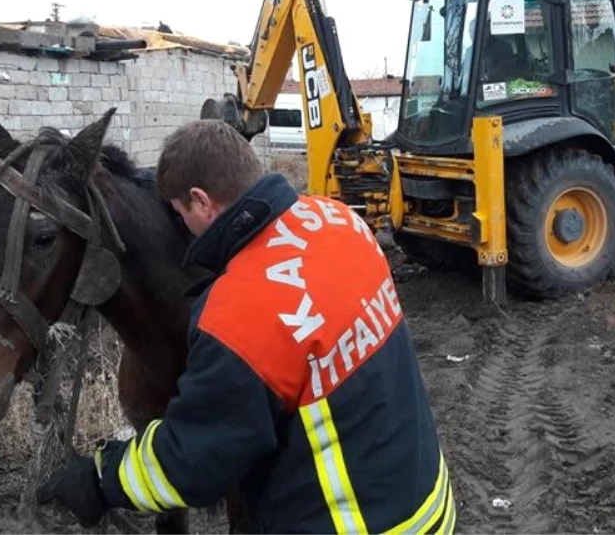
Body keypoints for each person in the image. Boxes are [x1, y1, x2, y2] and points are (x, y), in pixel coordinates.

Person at [37, 120, 455, 533]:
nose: (181, 225)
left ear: (202, 202)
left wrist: (99, 479)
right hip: (428, 504)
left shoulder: (239, 314)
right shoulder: (338, 219)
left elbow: (193, 461)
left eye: (180, 212)